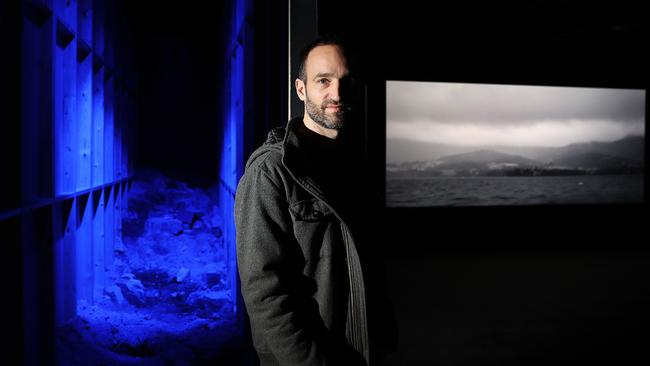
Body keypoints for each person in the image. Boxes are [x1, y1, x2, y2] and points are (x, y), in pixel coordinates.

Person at [235, 35, 398, 365]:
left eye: (345, 82)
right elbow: (266, 293)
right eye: (323, 81)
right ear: (301, 89)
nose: (336, 93)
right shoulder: (272, 171)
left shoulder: (354, 166)